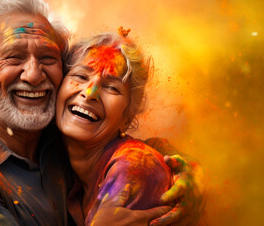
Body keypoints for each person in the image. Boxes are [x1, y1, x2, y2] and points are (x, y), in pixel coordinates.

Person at [0, 0, 205, 226]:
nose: (34, 75)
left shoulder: (53, 136)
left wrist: (183, 168)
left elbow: (130, 152)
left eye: (48, 58)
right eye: (13, 57)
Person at [56, 31, 205, 226]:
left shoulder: (134, 167)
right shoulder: (53, 153)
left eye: (112, 87)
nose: (90, 93)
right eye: (81, 76)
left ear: (128, 117)